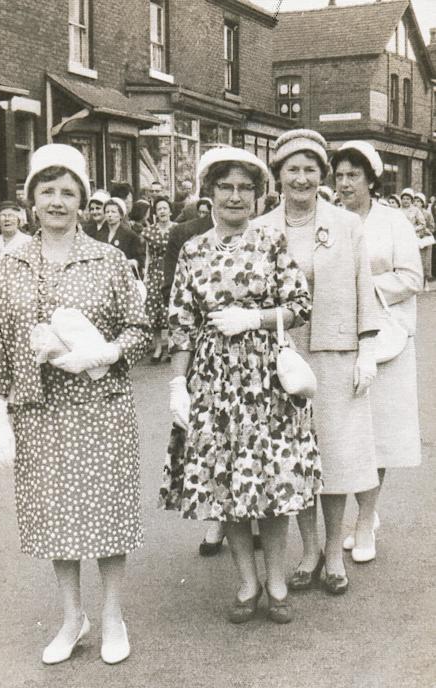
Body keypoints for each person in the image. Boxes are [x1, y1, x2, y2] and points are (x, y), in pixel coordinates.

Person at [0, 143, 151, 665]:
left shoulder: (109, 259)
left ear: (83, 201)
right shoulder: (12, 264)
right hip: (38, 411)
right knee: (56, 516)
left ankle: (114, 614)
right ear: (32, 202)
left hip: (101, 404)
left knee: (105, 511)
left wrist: (108, 349)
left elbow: (141, 328)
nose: (57, 201)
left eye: (67, 191)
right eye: (47, 191)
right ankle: (74, 618)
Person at [159, 146, 321, 624]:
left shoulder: (271, 242)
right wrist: (177, 383)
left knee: (273, 482)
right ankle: (247, 584)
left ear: (256, 195)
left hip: (266, 379)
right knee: (226, 485)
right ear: (209, 194)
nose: (235, 196)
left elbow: (301, 304)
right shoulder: (192, 248)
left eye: (245, 188)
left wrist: (256, 316)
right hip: (212, 381)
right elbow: (181, 321)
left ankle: (275, 583)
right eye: (225, 187)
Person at [258, 129, 381, 594]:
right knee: (296, 459)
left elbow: (361, 287)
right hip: (284, 358)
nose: (303, 178)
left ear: (321, 175)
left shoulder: (346, 225)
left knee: (336, 457)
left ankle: (333, 552)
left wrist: (366, 349)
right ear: (279, 176)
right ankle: (308, 550)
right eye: (294, 169)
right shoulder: (262, 228)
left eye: (311, 169)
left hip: (336, 354)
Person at [332, 141, 423, 561]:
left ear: (371, 179)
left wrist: (363, 288)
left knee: (376, 435)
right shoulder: (328, 221)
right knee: (346, 433)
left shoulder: (393, 222)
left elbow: (412, 277)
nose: (345, 182)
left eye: (353, 175)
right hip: (339, 339)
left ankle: (365, 519)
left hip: (387, 341)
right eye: (340, 175)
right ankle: (361, 510)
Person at [144, 196, 177, 362]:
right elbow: (148, 254)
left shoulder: (177, 229)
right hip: (155, 272)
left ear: (170, 211)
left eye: (165, 208)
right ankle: (158, 347)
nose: (162, 211)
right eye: (159, 209)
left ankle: (171, 344)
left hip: (172, 270)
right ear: (155, 213)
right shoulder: (149, 231)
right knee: (154, 310)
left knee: (170, 308)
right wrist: (145, 276)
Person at [97, 198, 145, 273]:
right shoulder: (99, 234)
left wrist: (131, 262)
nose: (110, 215)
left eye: (113, 212)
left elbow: (140, 259)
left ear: (121, 215)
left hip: (123, 274)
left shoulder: (130, 235)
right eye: (107, 212)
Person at [413, 192, 434, 288]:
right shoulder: (412, 212)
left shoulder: (427, 213)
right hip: (415, 239)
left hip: (425, 241)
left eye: (418, 201)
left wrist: (426, 230)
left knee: (425, 262)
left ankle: (425, 281)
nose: (416, 203)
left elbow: (432, 227)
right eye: (415, 201)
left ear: (422, 203)